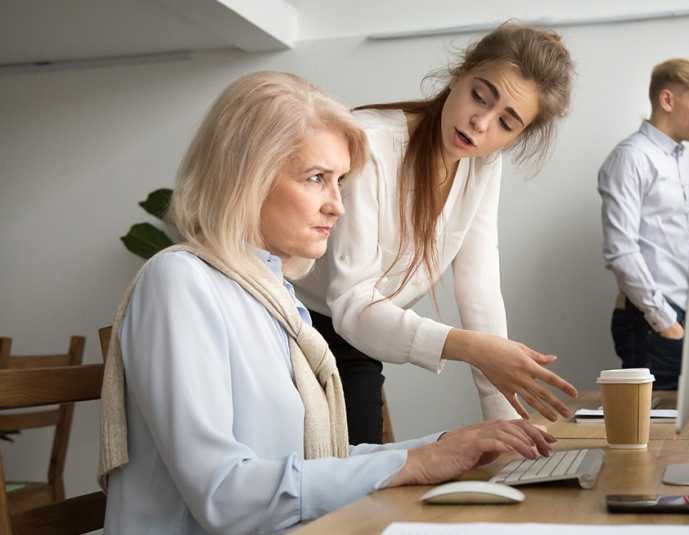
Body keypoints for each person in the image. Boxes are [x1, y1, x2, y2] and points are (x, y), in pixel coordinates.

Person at [98, 71, 556, 534]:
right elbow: (224, 494)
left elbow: (318, 461)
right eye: (317, 178)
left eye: (339, 181)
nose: (337, 205)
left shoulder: (273, 297)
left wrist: (448, 446)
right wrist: (416, 462)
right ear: (247, 174)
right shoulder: (179, 282)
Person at [295, 22, 578, 444]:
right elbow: (352, 302)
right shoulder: (370, 144)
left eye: (506, 122)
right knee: (338, 484)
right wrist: (467, 347)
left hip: (362, 337)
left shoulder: (483, 164)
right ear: (459, 75)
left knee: (366, 475)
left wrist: (509, 422)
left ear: (518, 137)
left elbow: (479, 291)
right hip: (299, 325)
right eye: (480, 96)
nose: (481, 123)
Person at [597, 58, 689, 391]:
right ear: (667, 100)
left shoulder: (679, 161)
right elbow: (621, 251)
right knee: (660, 438)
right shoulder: (631, 157)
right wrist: (665, 322)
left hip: (682, 315)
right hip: (653, 320)